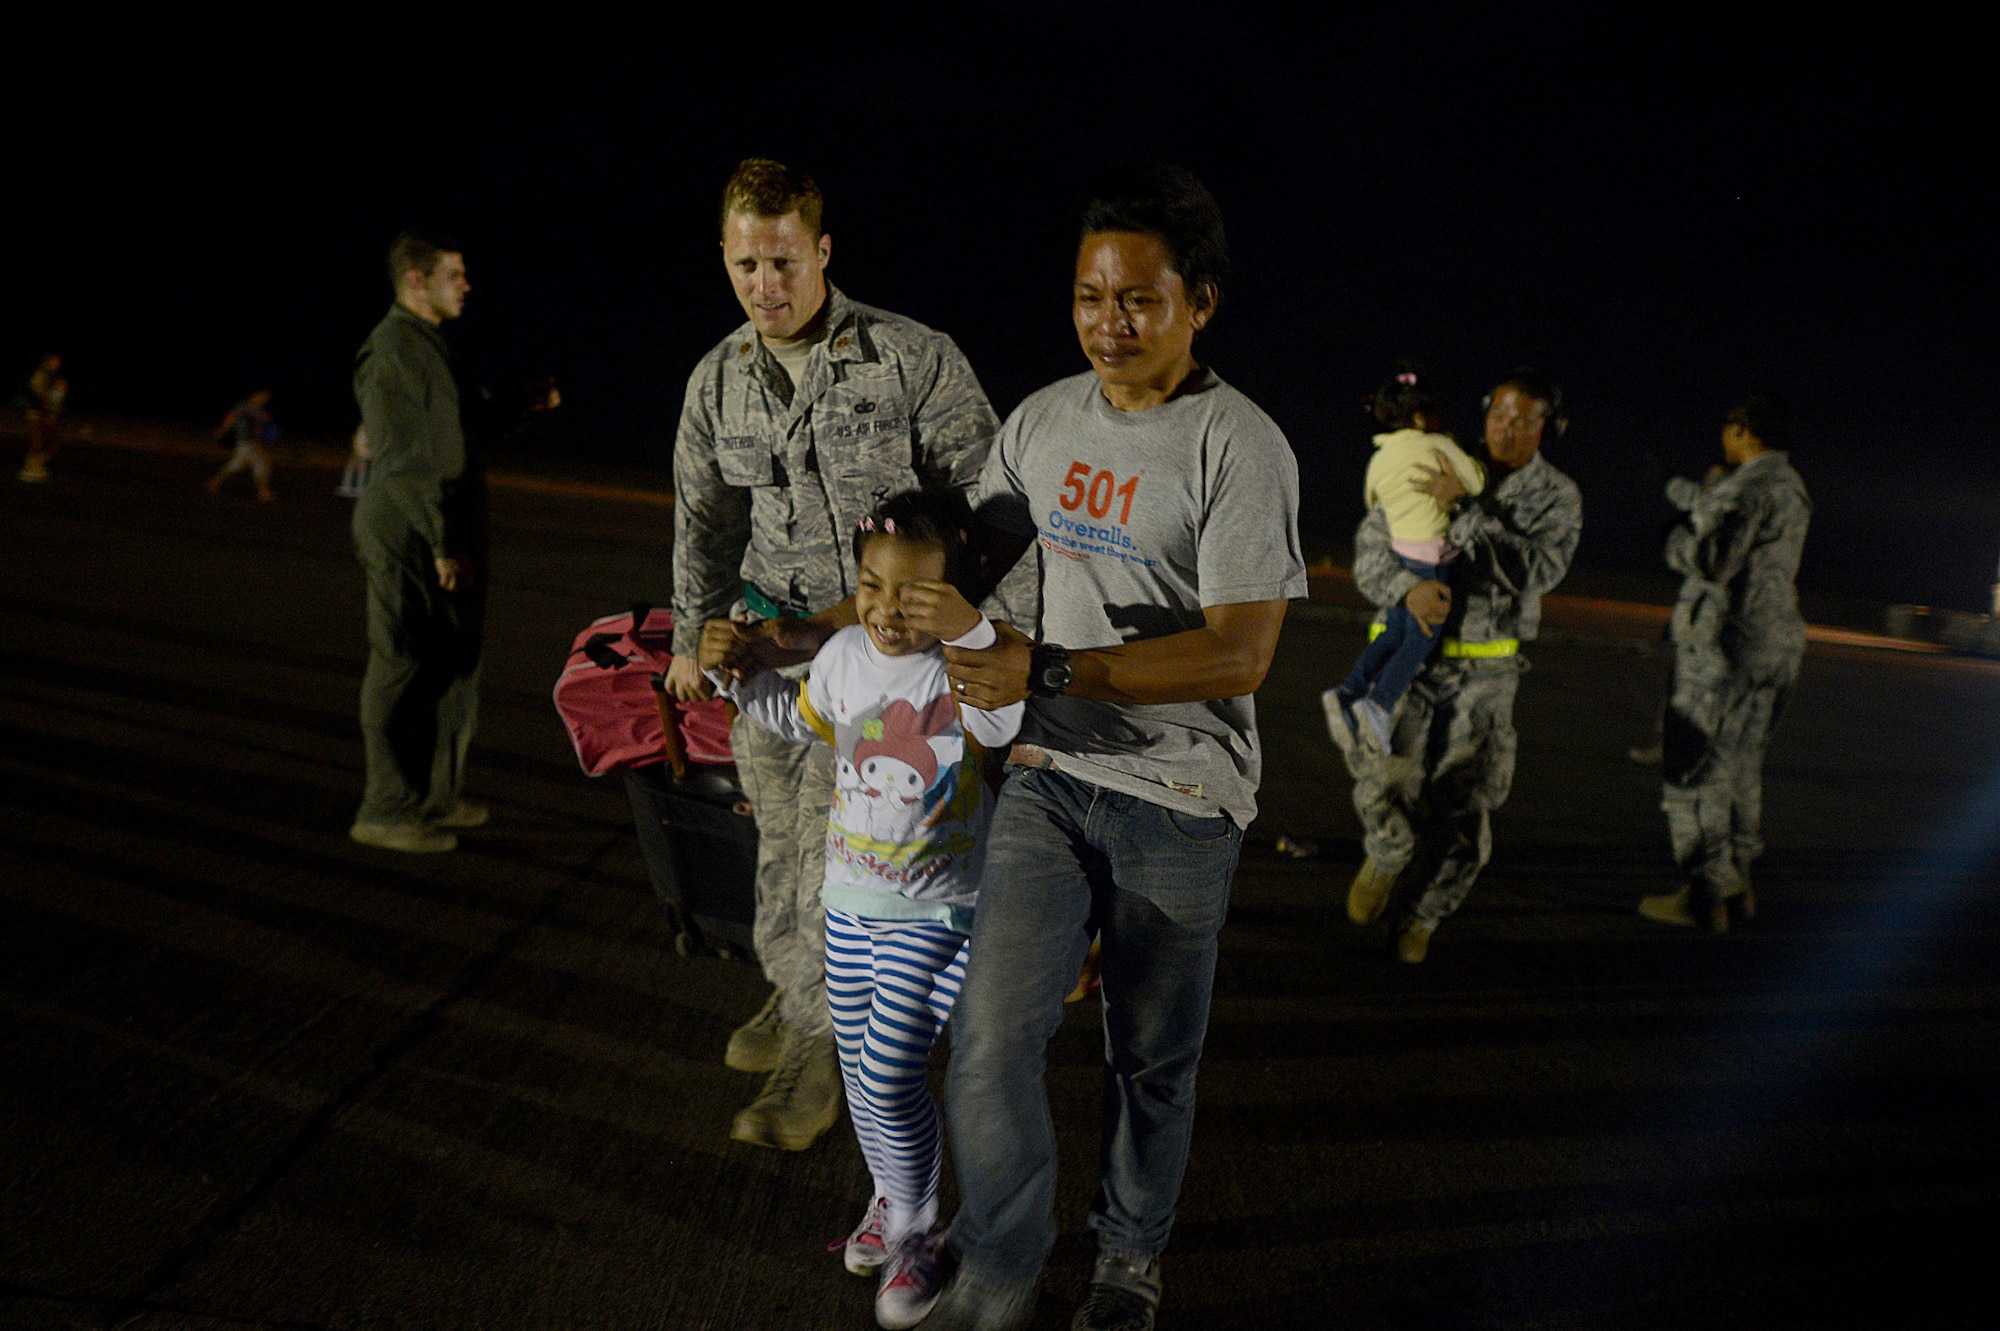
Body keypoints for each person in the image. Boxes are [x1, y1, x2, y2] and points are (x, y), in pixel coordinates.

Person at [925, 164, 1306, 1331]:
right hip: (1048, 776)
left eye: (1137, 298)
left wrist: (1048, 666)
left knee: (1148, 1057)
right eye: (1089, 295)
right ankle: (997, 1266)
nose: (1108, 321)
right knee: (989, 1035)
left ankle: (1128, 1256)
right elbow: (959, 572)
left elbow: (1239, 655)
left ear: (1199, 301)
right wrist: (802, 630)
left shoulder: (1239, 447)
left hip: (1183, 790)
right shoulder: (1040, 420)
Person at [665, 158, 1019, 1153]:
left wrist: (970, 636)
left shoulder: (907, 358)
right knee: (779, 834)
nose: (762, 286)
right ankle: (794, 990)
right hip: (772, 659)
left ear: (821, 251)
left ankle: (820, 1047)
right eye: (743, 265)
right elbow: (703, 518)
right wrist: (699, 632)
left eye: (781, 261)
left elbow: (991, 504)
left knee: (850, 849)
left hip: (882, 664)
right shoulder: (717, 380)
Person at [712, 489, 1024, 1329]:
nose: (890, 608)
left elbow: (1008, 718)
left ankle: (921, 1228)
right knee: (857, 1071)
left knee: (891, 1072)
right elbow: (804, 715)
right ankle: (889, 1201)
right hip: (848, 903)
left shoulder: (968, 670)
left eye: (917, 592)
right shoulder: (846, 652)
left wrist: (971, 631)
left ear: (952, 595)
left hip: (937, 913)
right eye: (873, 585)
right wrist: (735, 676)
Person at [1339, 369, 1582, 964]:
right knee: (1382, 782)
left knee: (1467, 812)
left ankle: (1422, 920)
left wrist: (1467, 509)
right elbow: (1370, 555)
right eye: (1498, 414)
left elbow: (1537, 573)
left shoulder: (1557, 497)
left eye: (1524, 420)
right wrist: (1405, 588)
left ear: (1550, 428)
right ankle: (1388, 853)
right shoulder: (1431, 458)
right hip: (1410, 665)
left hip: (1485, 685)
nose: (1506, 428)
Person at [1639, 394, 1809, 931]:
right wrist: (1679, 487)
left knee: (1693, 768)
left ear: (1741, 431)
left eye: (1726, 430)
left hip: (1724, 649)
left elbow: (1715, 559)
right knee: (1740, 766)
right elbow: (1713, 504)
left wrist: (1674, 543)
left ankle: (1703, 894)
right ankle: (1738, 885)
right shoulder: (1788, 485)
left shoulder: (1748, 488)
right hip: (1776, 647)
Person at [348, 231, 491, 853]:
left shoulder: (431, 349)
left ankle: (436, 798)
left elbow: (464, 428)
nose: (466, 285)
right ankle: (384, 807)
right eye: (454, 274)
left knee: (453, 667)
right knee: (402, 663)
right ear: (415, 278)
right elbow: (408, 460)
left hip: (440, 522)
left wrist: (524, 403)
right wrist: (440, 543)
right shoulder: (393, 351)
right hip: (406, 527)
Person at [1324, 363, 1485, 751]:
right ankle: (1378, 706)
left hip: (1400, 552)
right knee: (1420, 638)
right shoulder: (1438, 445)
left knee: (1396, 633)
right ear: (1418, 415)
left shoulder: (1378, 459)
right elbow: (1476, 481)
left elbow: (1372, 501)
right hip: (1430, 560)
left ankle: (1348, 693)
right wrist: (1456, 480)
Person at [206, 388, 277, 501]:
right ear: (256, 394)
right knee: (241, 464)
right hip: (246, 440)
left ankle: (263, 491)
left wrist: (264, 419)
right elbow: (232, 416)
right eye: (264, 396)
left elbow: (257, 425)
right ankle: (214, 482)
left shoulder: (257, 408)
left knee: (257, 464)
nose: (266, 399)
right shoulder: (246, 406)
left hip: (252, 441)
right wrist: (222, 430)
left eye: (267, 397)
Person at [19, 353, 65, 483]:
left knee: (50, 439)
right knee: (38, 440)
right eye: (55, 361)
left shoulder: (51, 376)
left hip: (45, 412)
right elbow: (37, 391)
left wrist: (57, 393)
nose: (57, 364)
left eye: (58, 362)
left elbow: (53, 396)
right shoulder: (41, 374)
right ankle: (29, 470)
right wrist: (50, 397)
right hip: (37, 412)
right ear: (48, 362)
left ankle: (36, 466)